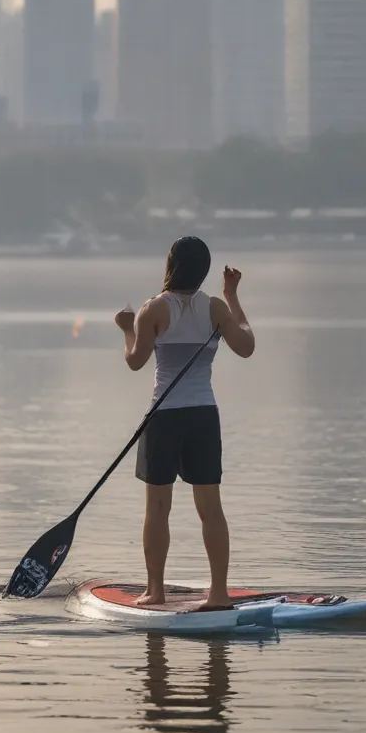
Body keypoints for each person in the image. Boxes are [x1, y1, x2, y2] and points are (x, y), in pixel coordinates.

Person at [114, 236, 255, 612]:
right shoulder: (216, 308)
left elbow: (134, 361)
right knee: (211, 507)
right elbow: (246, 345)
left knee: (158, 508)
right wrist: (232, 295)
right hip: (203, 416)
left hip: (164, 416)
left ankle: (155, 591)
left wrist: (126, 327)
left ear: (171, 266)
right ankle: (219, 594)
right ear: (204, 269)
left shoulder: (152, 309)